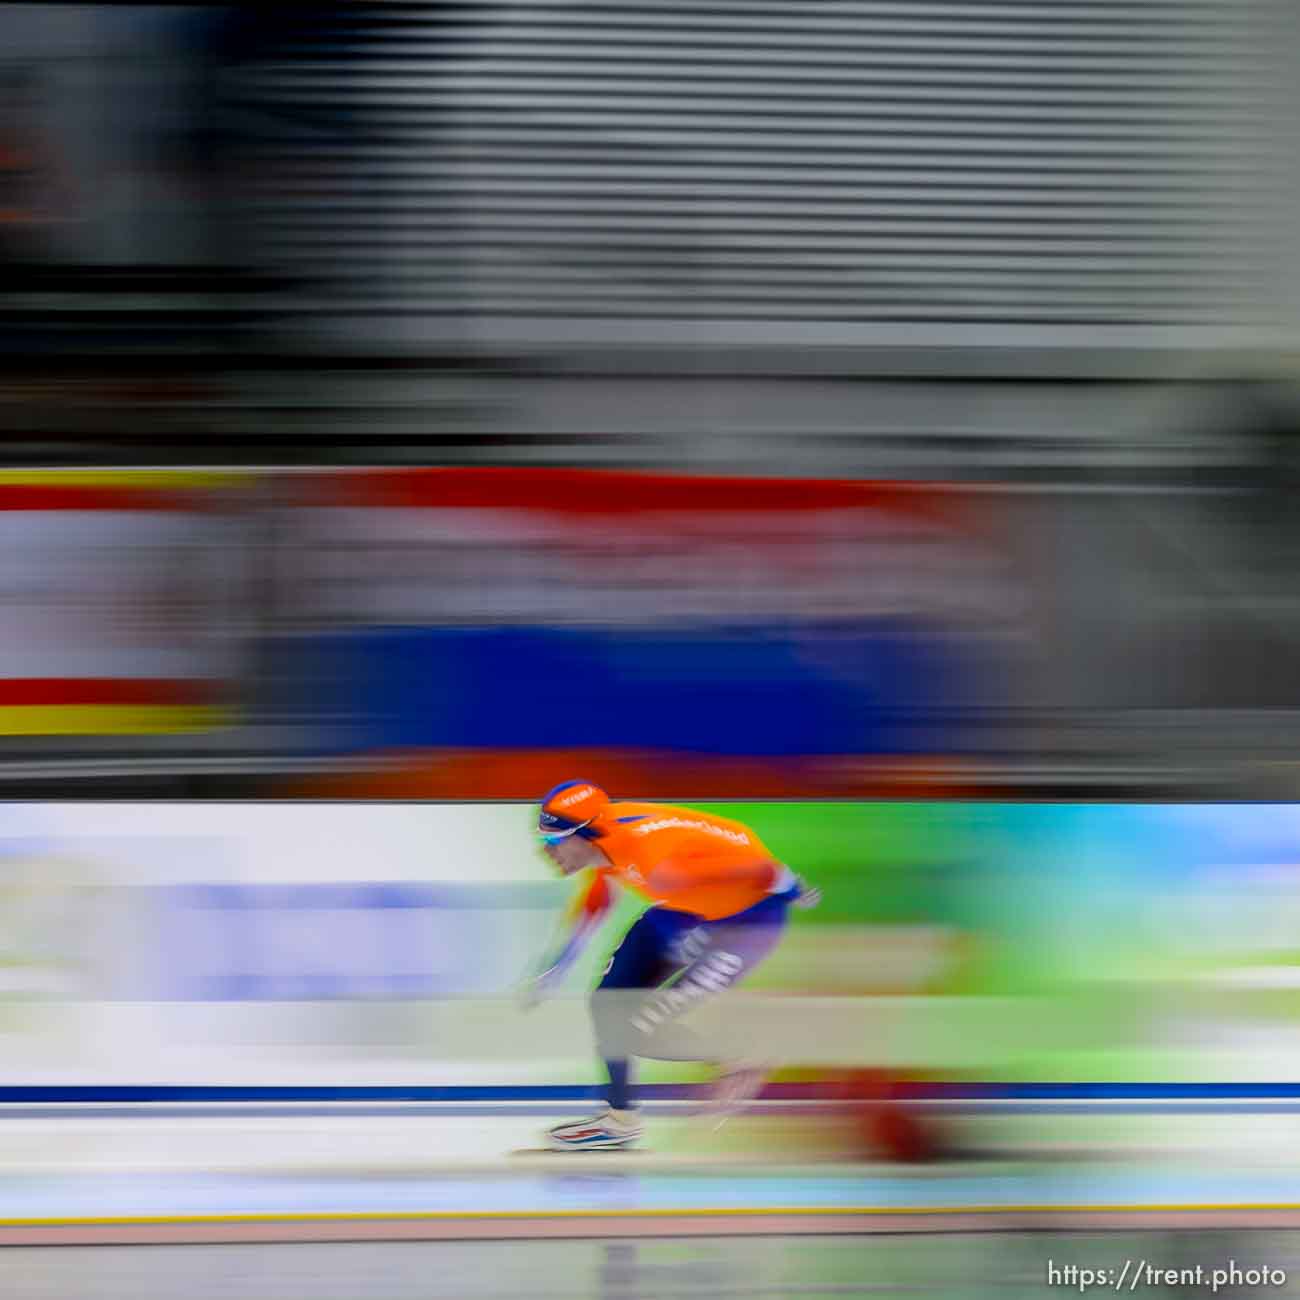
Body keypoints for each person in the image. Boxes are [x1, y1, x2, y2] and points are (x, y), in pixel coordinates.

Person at [520, 779, 820, 1150]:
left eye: (553, 841)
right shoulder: (608, 839)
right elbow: (597, 900)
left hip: (746, 925)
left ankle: (741, 1052)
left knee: (641, 1028)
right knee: (607, 1004)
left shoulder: (655, 861)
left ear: (588, 835)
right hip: (686, 909)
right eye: (542, 839)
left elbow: (762, 868)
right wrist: (559, 965)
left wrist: (794, 887)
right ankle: (619, 1120)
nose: (545, 850)